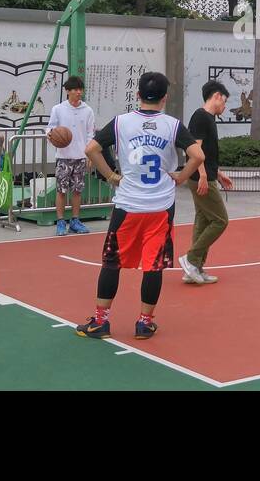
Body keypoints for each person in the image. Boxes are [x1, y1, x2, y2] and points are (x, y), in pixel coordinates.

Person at [75, 72, 203, 340]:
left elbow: (91, 149)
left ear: (138, 95)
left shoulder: (122, 123)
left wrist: (111, 175)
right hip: (160, 207)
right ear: (165, 98)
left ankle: (100, 322)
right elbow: (198, 155)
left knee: (112, 263)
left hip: (128, 205)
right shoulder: (172, 125)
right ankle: (144, 323)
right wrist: (180, 176)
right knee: (153, 265)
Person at [179, 80, 235, 285]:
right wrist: (203, 175)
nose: (225, 106)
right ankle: (191, 259)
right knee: (220, 220)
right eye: (225, 101)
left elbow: (208, 154)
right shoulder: (201, 117)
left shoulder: (209, 118)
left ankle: (194, 269)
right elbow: (195, 150)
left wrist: (218, 173)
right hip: (200, 178)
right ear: (217, 96)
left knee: (203, 221)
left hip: (207, 176)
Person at [48, 77, 95, 235]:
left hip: (81, 156)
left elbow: (90, 133)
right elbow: (50, 128)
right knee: (61, 190)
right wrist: (51, 135)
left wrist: (89, 154)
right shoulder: (58, 109)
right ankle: (60, 221)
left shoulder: (88, 110)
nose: (78, 92)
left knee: (77, 190)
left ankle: (75, 220)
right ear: (67, 91)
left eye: (80, 89)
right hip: (63, 156)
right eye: (75, 89)